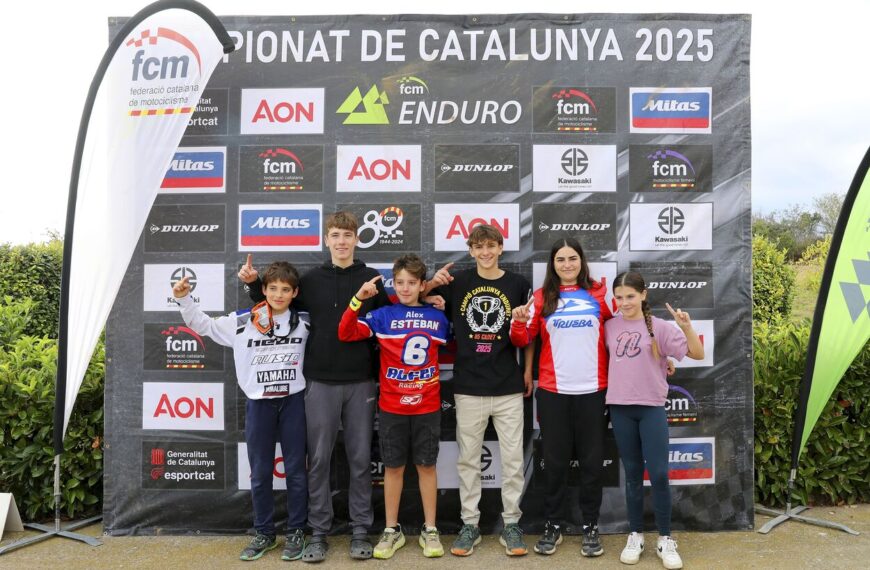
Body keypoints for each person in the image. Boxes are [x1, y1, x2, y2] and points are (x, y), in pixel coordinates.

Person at [239, 211, 390, 562]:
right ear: (326, 239)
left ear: (356, 239)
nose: (341, 242)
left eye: (347, 236)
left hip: (361, 381)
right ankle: (318, 531)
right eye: (335, 235)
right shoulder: (310, 279)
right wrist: (251, 285)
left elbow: (393, 318)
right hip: (318, 382)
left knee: (359, 459)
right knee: (318, 460)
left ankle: (359, 530)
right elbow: (277, 302)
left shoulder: (373, 279)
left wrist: (430, 298)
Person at [173, 262, 309, 562]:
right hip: (259, 404)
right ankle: (264, 532)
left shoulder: (305, 321)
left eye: (285, 290)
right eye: (273, 288)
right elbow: (203, 325)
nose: (279, 294)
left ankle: (298, 529)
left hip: (293, 403)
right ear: (263, 290)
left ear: (295, 293)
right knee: (260, 473)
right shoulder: (242, 320)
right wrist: (184, 299)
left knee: (297, 472)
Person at [427, 224, 532, 557]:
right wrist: (431, 286)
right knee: (468, 461)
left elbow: (526, 335)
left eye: (491, 245)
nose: (485, 252)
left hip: (507, 386)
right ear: (470, 251)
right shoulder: (459, 283)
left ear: (501, 247)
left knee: (514, 460)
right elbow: (416, 297)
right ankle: (469, 525)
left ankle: (511, 524)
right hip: (469, 385)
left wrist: (526, 361)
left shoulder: (518, 284)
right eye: (478, 246)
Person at [337, 254, 451, 559]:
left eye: (412, 283)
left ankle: (430, 528)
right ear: (393, 284)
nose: (405, 288)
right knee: (394, 468)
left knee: (426, 466)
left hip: (426, 404)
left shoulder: (438, 317)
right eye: (399, 282)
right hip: (392, 406)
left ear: (422, 285)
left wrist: (439, 304)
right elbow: (345, 332)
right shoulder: (383, 315)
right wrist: (358, 300)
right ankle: (391, 529)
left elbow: (455, 345)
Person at [510, 238, 612, 558]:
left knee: (592, 464)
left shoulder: (599, 293)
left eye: (572, 258)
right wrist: (516, 320)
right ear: (552, 265)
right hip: (554, 393)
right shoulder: (541, 298)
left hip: (593, 392)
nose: (566, 265)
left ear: (581, 260)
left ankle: (590, 526)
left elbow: (623, 330)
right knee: (554, 464)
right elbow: (522, 338)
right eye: (560, 260)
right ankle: (553, 524)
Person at [604, 271, 704, 570]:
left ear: (643, 295)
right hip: (620, 409)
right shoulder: (608, 326)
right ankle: (635, 535)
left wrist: (686, 327)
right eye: (619, 297)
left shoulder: (659, 327)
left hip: (651, 409)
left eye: (630, 296)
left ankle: (665, 538)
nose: (624, 302)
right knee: (633, 475)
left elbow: (697, 353)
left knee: (659, 474)